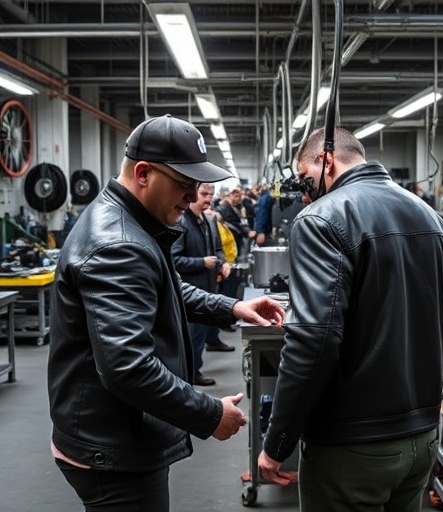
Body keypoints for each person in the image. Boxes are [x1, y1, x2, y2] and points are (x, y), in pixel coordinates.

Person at [47, 113, 285, 512]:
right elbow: (128, 367)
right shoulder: (119, 244)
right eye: (184, 184)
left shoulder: (130, 224)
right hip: (114, 450)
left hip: (109, 432)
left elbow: (167, 288)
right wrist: (209, 414)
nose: (193, 198)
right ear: (143, 173)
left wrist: (232, 306)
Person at [257, 126, 443, 512]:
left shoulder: (321, 219)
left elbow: (313, 343)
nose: (303, 193)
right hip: (422, 440)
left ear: (326, 160)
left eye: (304, 179)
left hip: (351, 449)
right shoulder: (433, 218)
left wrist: (277, 442)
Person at [171, 183, 234, 387]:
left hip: (207, 287)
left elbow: (217, 248)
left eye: (211, 195)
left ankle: (194, 370)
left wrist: (223, 262)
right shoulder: (181, 223)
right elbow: (174, 260)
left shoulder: (208, 220)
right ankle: (190, 375)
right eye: (204, 194)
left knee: (200, 335)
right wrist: (201, 263)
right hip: (191, 291)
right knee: (192, 337)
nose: (208, 198)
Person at [216, 187, 256, 261]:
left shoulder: (232, 207)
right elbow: (234, 223)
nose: (240, 199)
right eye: (238, 196)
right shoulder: (225, 208)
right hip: (233, 239)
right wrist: (247, 231)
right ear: (233, 196)